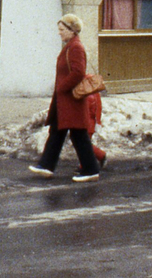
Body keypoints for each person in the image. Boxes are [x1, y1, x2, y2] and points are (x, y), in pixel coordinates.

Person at [28, 13, 101, 183]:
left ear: (71, 30)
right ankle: (46, 165)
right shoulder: (70, 46)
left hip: (71, 100)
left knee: (77, 135)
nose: (59, 33)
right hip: (66, 101)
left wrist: (62, 87)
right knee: (57, 131)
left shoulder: (75, 47)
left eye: (62, 30)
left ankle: (91, 170)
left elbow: (78, 72)